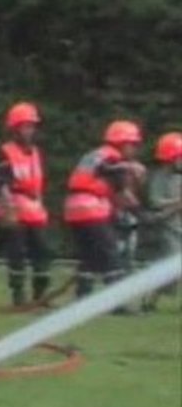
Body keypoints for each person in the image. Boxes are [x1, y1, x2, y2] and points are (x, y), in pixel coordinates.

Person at [62, 120, 146, 309]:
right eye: (132, 144)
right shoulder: (113, 158)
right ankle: (118, 304)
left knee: (89, 255)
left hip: (74, 208)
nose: (134, 149)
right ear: (121, 143)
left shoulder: (96, 154)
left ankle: (82, 298)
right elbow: (122, 194)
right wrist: (143, 214)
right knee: (111, 255)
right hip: (91, 207)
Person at [0, 102, 52, 307]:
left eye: (31, 126)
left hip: (35, 209)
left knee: (43, 251)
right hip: (15, 209)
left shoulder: (35, 152)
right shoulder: (6, 152)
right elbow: (2, 182)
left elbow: (38, 182)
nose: (29, 130)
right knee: (16, 253)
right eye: (25, 126)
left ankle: (40, 293)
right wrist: (8, 209)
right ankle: (18, 294)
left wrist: (41, 205)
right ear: (14, 128)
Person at [139, 132, 182, 311]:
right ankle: (150, 300)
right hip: (167, 228)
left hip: (179, 226)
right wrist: (176, 203)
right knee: (171, 265)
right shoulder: (159, 178)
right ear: (171, 158)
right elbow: (155, 201)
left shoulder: (179, 177)